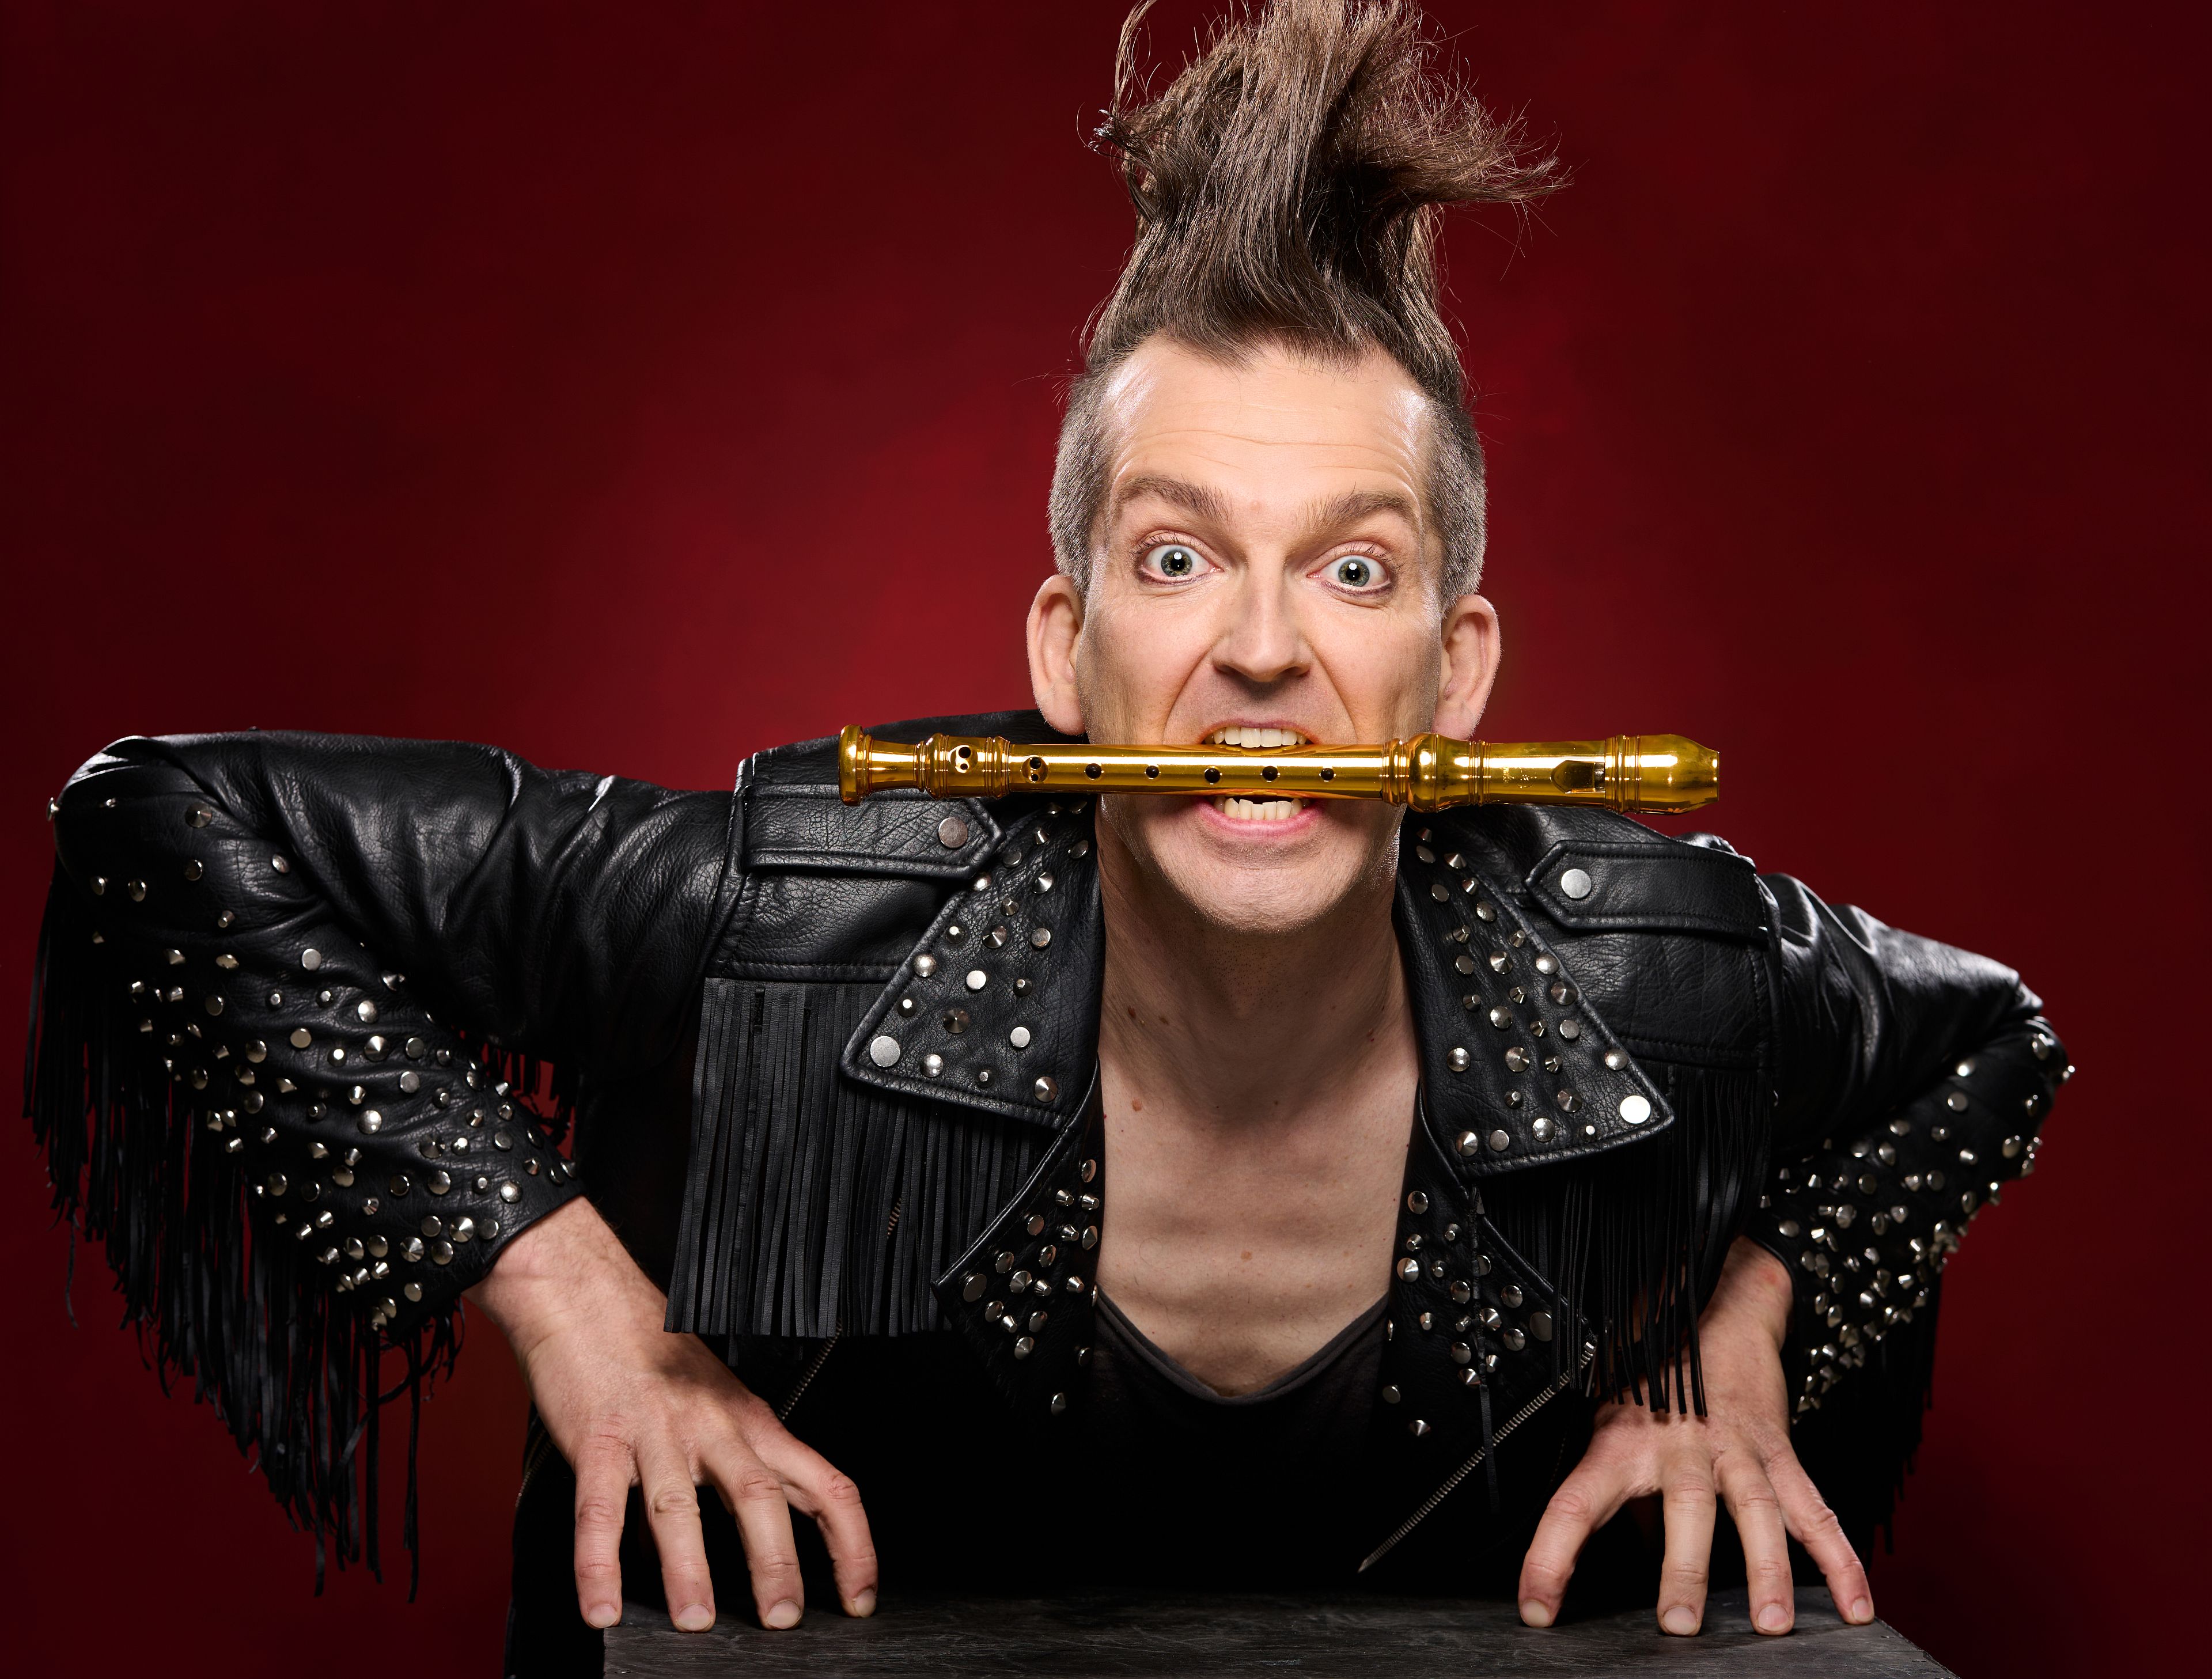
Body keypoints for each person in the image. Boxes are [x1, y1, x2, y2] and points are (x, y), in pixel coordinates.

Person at [23, 2, 2065, 1673]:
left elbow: (1992, 1043)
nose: (1259, 649)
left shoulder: (1647, 958)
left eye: (1353, 571)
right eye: (1179, 558)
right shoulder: (799, 913)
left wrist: (1736, 1336)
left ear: (1455, 677)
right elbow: (164, 822)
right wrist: (584, 1308)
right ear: (1066, 653)